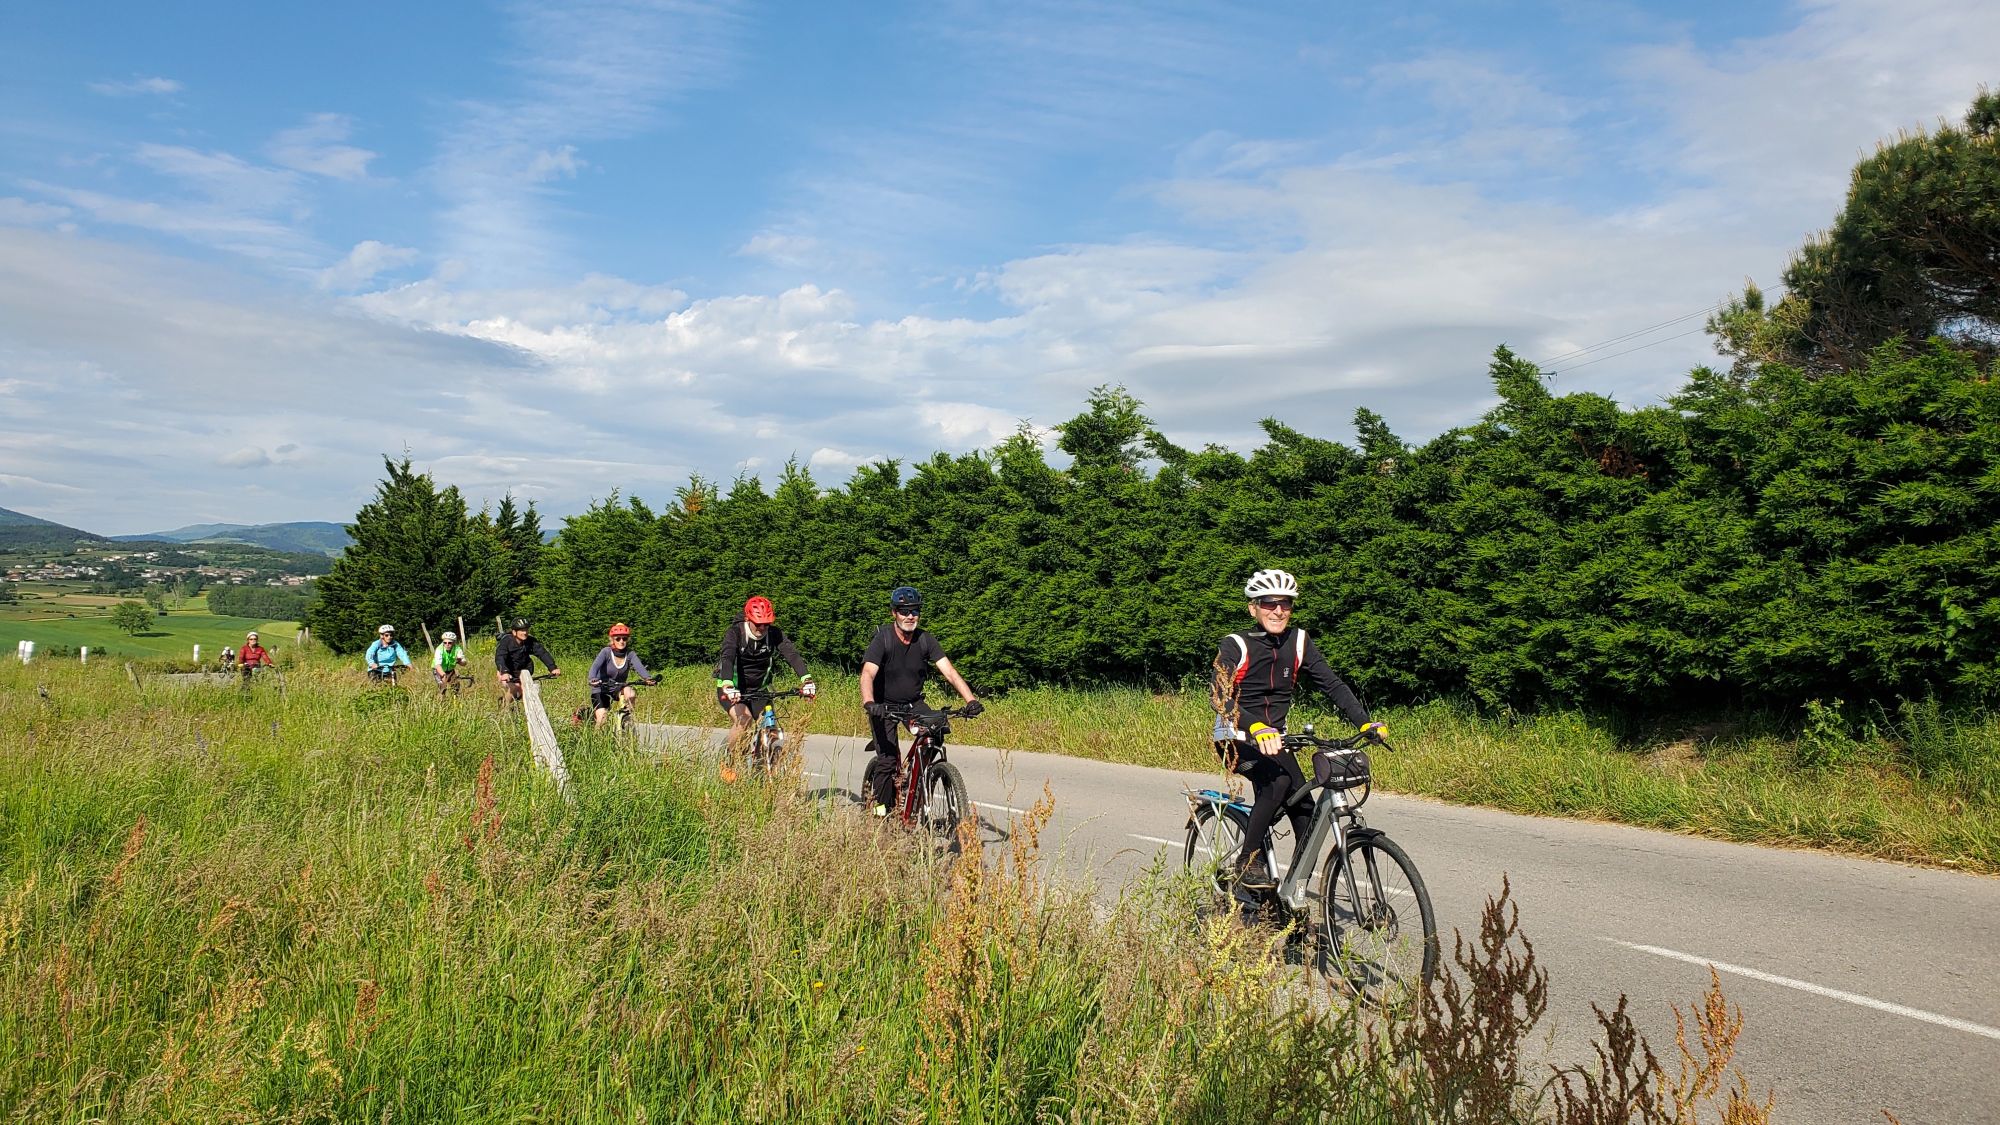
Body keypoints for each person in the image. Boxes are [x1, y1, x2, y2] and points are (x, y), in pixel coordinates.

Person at [1210, 568, 1385, 893]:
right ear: (1253, 607)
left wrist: (1364, 722)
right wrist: (1256, 726)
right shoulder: (1236, 644)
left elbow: (1332, 684)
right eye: (1269, 603)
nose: (1278, 610)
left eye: (1286, 603)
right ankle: (1247, 861)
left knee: (1305, 812)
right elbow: (1219, 696)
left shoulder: (1299, 641)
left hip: (1277, 742)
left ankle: (1290, 897)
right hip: (1235, 739)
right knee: (1277, 784)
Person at [858, 585, 980, 817]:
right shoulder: (883, 639)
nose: (910, 616)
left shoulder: (925, 640)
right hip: (883, 705)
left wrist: (971, 700)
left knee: (937, 730)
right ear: (894, 613)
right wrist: (870, 703)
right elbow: (867, 674)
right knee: (886, 762)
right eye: (904, 611)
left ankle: (918, 780)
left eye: (915, 611)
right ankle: (880, 812)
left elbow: (950, 672)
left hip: (913, 703)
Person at [713, 596, 817, 778]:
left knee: (771, 729)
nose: (762, 628)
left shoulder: (774, 634)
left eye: (766, 624)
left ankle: (762, 772)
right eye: (758, 624)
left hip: (760, 689)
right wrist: (728, 683)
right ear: (748, 619)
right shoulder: (735, 633)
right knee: (744, 721)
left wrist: (807, 680)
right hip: (732, 688)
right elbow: (727, 657)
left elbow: (792, 655)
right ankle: (727, 760)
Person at [589, 623, 658, 726]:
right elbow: (595, 666)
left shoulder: (630, 654)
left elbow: (639, 667)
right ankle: (596, 735)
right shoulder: (606, 652)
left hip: (618, 687)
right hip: (601, 687)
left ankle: (626, 719)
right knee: (602, 718)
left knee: (631, 694)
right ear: (612, 640)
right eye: (618, 639)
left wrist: (648, 678)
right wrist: (592, 679)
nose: (621, 641)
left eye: (624, 639)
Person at [495, 617, 559, 700]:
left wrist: (553, 668)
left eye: (526, 630)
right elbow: (500, 657)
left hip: (523, 671)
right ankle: (504, 706)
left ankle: (524, 705)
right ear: (514, 632)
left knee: (532, 688)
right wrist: (504, 672)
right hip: (507, 671)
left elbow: (542, 653)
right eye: (522, 630)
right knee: (515, 688)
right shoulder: (506, 641)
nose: (525, 633)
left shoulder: (530, 641)